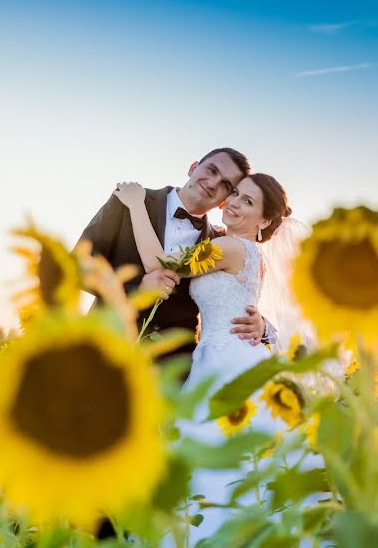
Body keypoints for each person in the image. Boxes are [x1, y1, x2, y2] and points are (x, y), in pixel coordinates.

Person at [112, 173, 294, 545]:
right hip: (223, 355)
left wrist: (134, 205)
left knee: (215, 458)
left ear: (263, 222)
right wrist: (263, 325)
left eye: (248, 203)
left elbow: (162, 264)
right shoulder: (239, 250)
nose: (235, 204)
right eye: (236, 195)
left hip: (227, 363)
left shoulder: (231, 248)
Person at [77, 148, 271, 363]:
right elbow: (78, 266)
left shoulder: (218, 245)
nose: (214, 183)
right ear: (193, 168)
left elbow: (234, 296)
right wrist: (136, 288)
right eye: (212, 170)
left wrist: (263, 327)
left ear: (226, 199)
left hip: (174, 370)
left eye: (226, 185)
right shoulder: (130, 201)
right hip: (102, 348)